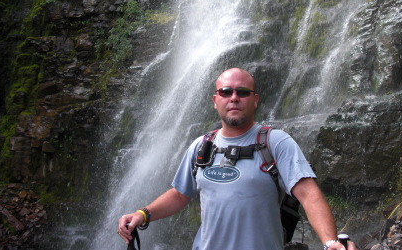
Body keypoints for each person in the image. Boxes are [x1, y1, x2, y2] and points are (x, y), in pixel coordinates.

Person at [118, 67, 357, 250]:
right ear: (215, 101)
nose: (234, 97)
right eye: (225, 91)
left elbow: (309, 194)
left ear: (255, 100)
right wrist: (143, 214)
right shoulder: (201, 146)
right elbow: (180, 194)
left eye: (242, 92)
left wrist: (330, 242)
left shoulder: (275, 142)